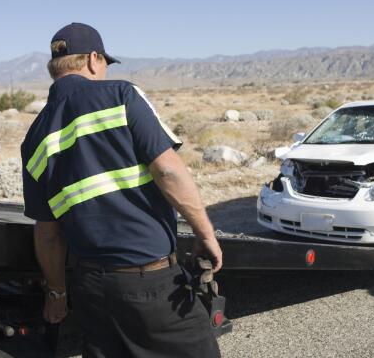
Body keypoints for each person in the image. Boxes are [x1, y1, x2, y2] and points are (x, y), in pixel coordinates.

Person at [20, 22, 222, 357]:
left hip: (91, 291)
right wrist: (206, 234)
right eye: (103, 64)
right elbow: (168, 170)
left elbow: (47, 233)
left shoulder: (35, 137)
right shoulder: (121, 95)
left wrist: (56, 293)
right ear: (93, 59)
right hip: (150, 283)